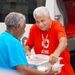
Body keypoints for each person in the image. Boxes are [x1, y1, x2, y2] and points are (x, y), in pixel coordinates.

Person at [25, 6, 74, 75]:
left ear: (49, 18)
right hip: (44, 71)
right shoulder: (34, 28)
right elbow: (28, 45)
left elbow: (63, 41)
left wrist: (56, 53)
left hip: (61, 71)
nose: (40, 24)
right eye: (37, 22)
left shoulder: (57, 26)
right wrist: (27, 51)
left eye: (42, 21)